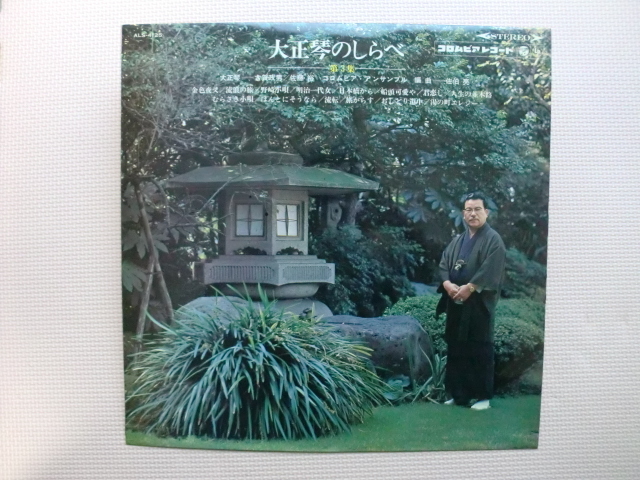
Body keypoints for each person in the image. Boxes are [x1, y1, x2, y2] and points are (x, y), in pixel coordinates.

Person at [436, 192, 506, 410]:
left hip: (478, 304)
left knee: (479, 348)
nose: (473, 214)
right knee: (456, 347)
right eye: (469, 210)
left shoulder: (493, 239)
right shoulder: (458, 239)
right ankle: (458, 394)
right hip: (455, 300)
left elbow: (491, 268)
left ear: (486, 212)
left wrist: (471, 287)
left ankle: (483, 397)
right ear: (463, 213)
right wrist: (447, 284)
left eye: (477, 209)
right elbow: (444, 264)